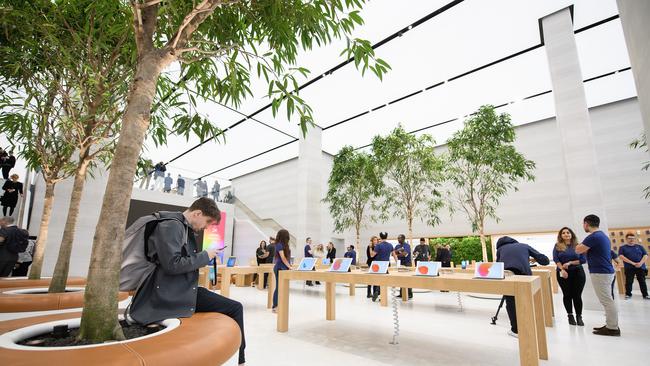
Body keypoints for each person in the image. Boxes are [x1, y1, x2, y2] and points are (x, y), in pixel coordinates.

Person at [128, 197, 246, 364]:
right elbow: (172, 265)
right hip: (170, 292)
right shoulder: (172, 225)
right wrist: (205, 256)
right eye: (206, 222)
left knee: (234, 307)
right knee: (235, 308)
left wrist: (203, 256)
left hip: (178, 289)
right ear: (197, 213)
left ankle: (240, 357)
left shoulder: (179, 226)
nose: (205, 227)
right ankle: (241, 359)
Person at [496, 236, 549, 338]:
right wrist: (532, 259)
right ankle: (531, 326)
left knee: (511, 302)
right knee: (527, 300)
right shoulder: (524, 246)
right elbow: (545, 260)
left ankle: (515, 330)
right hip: (524, 276)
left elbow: (498, 265)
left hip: (507, 275)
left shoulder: (500, 249)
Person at [576, 214, 620, 336]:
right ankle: (611, 324)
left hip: (601, 272)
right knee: (608, 300)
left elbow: (578, 249)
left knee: (607, 301)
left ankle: (612, 328)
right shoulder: (602, 236)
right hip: (605, 271)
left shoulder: (593, 237)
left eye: (583, 224)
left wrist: (582, 247)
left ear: (586, 223)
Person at [552, 227, 587, 326]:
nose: (566, 234)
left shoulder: (578, 246)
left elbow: (583, 260)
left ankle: (579, 316)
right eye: (563, 233)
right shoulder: (557, 246)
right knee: (567, 295)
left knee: (577, 295)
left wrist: (570, 262)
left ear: (572, 234)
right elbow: (556, 259)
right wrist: (562, 270)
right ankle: (570, 316)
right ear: (561, 235)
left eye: (568, 232)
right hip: (563, 274)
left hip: (578, 273)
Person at [618, 232, 648, 299]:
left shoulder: (640, 247)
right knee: (629, 281)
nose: (631, 240)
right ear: (626, 239)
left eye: (633, 238)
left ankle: (645, 295)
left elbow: (645, 255)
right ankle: (628, 294)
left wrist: (640, 263)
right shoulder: (622, 247)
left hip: (640, 267)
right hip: (629, 268)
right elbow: (621, 256)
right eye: (629, 238)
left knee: (642, 281)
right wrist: (633, 263)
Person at [272, 229, 292, 313]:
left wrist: (289, 266)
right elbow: (283, 257)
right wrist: (289, 266)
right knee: (278, 287)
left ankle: (280, 305)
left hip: (284, 268)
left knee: (282, 288)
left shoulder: (285, 245)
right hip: (280, 268)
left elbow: (286, 258)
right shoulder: (279, 245)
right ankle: (275, 306)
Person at [370, 232, 394, 302]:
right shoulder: (390, 245)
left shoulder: (378, 245)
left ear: (380, 237)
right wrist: (398, 263)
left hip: (378, 265)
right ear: (387, 237)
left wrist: (371, 248)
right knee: (384, 281)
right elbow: (394, 254)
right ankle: (382, 296)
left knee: (378, 280)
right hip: (386, 265)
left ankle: (377, 291)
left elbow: (372, 255)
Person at [393, 234, 413, 299]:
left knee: (408, 279)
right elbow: (393, 253)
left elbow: (405, 254)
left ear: (403, 239)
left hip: (407, 264)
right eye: (398, 238)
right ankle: (402, 293)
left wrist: (398, 253)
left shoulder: (407, 245)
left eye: (399, 238)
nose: (398, 239)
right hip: (400, 264)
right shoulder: (397, 246)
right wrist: (399, 251)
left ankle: (409, 294)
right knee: (401, 279)